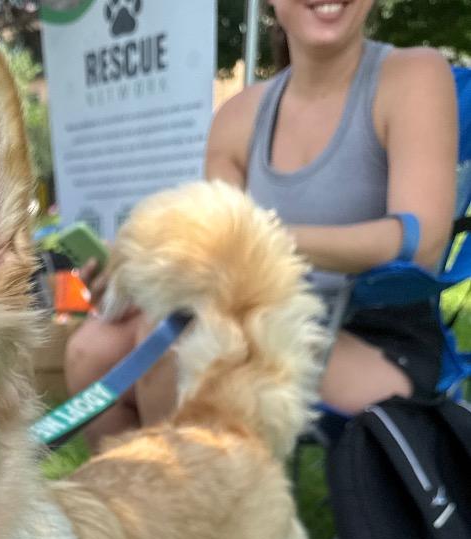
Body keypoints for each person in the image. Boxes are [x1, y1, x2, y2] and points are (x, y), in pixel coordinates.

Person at [64, 0, 457, 449]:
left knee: (172, 352)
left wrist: (258, 238)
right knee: (91, 348)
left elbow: (419, 240)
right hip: (255, 314)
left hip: (372, 334)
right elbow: (217, 265)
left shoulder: (414, 75)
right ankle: (143, 510)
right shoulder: (238, 116)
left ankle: (200, 508)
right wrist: (137, 280)